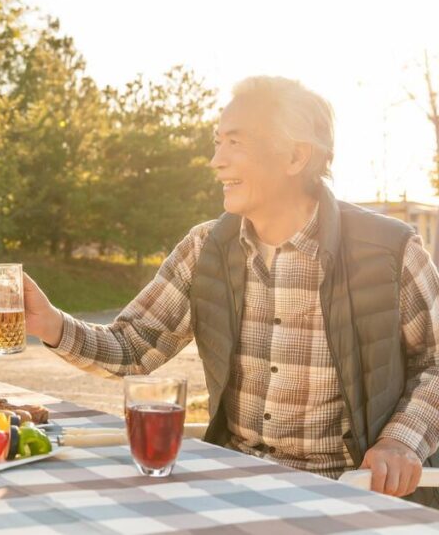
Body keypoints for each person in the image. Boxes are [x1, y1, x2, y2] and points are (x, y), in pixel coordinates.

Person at [24, 76, 439, 504]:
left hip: (348, 490)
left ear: (296, 155)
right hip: (231, 483)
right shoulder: (204, 248)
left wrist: (400, 442)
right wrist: (50, 322)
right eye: (217, 142)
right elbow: (133, 347)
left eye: (234, 143)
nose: (215, 161)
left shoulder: (389, 250)